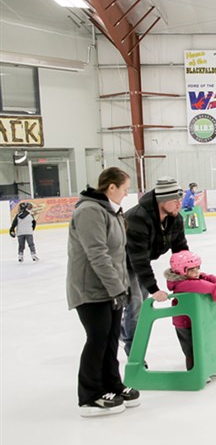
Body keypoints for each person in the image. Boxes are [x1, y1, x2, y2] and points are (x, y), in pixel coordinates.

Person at [67, 167, 141, 417]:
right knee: (97, 338)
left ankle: (112, 384)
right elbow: (97, 254)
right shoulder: (89, 211)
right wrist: (116, 288)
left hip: (111, 289)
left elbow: (118, 256)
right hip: (90, 289)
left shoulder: (112, 212)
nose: (126, 193)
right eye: (125, 188)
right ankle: (89, 396)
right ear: (111, 187)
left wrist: (123, 287)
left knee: (110, 339)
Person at [121, 177, 189, 357]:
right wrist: (154, 289)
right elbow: (138, 260)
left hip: (140, 261)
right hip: (121, 262)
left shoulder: (175, 218)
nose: (179, 204)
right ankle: (134, 355)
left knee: (140, 305)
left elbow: (180, 249)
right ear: (162, 200)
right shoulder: (136, 219)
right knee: (135, 305)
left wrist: (189, 272)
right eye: (175, 200)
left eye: (180, 200)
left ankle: (122, 331)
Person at [164, 251, 216, 371]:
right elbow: (204, 285)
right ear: (181, 271)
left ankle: (207, 367)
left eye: (198, 268)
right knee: (191, 349)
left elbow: (204, 276)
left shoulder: (189, 278)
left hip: (194, 319)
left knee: (203, 345)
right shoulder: (183, 284)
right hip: (184, 323)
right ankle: (194, 371)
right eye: (192, 270)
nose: (197, 272)